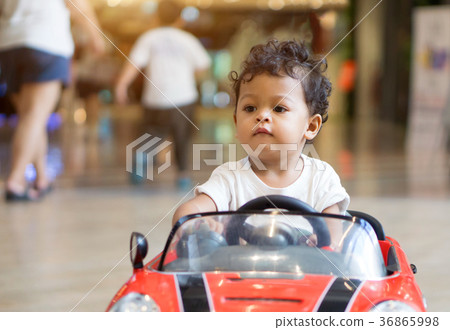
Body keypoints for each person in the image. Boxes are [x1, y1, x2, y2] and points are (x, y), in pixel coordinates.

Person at [172, 40, 350, 248]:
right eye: (250, 108)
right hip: (241, 277)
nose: (262, 115)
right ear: (236, 122)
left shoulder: (321, 179)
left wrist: (323, 243)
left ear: (310, 126)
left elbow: (333, 240)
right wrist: (200, 223)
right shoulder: (230, 178)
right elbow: (186, 213)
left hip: (304, 277)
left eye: (279, 109)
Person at [0, 0, 105, 201]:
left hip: (9, 44)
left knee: (30, 117)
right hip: (46, 40)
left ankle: (42, 178)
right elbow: (78, 5)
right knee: (35, 116)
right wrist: (96, 37)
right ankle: (15, 181)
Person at [115, 0, 211, 189]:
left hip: (155, 98)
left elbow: (134, 64)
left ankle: (142, 158)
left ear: (157, 17)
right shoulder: (187, 39)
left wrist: (121, 86)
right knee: (182, 137)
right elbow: (203, 66)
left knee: (151, 134)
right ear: (180, 18)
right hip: (183, 97)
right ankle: (182, 175)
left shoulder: (149, 38)